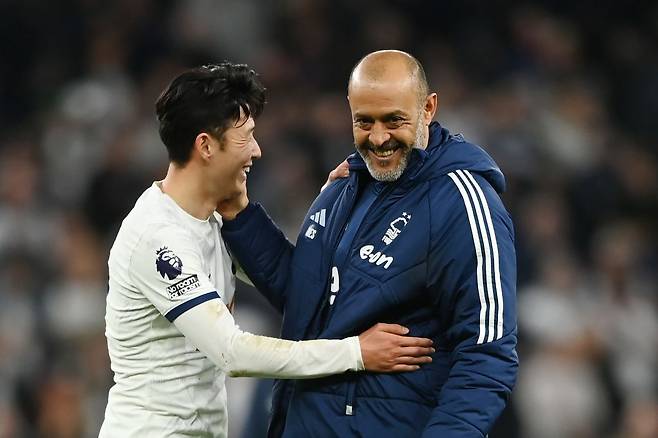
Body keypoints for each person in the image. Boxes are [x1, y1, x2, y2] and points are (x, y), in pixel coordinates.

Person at [99, 62, 434, 437]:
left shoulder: (211, 220)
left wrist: (330, 205)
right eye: (246, 138)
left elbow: (294, 282)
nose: (256, 151)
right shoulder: (158, 237)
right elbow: (232, 352)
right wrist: (355, 352)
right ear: (206, 146)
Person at [220, 50, 519, 437]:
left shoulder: (462, 203)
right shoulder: (344, 187)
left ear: (428, 108)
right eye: (364, 121)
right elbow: (306, 301)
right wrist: (240, 215)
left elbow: (487, 354)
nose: (378, 138)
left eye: (394, 120)